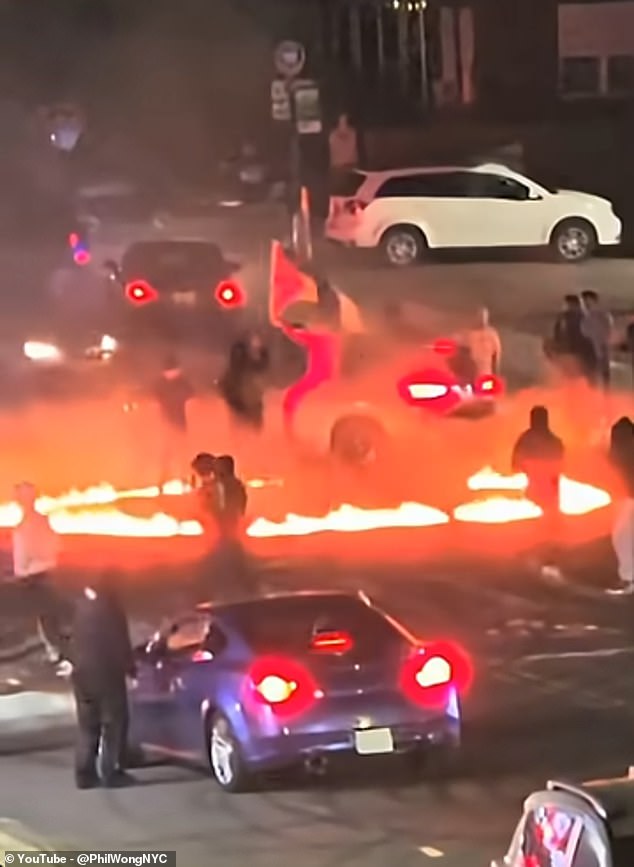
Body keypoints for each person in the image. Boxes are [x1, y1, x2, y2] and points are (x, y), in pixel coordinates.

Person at [67, 574, 136, 789]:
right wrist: (130, 669)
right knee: (115, 722)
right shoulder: (111, 607)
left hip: (82, 673)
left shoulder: (78, 606)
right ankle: (111, 770)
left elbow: (66, 636)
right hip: (107, 672)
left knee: (88, 724)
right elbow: (119, 639)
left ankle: (84, 773)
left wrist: (69, 659)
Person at [12, 482, 66, 665]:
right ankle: (56, 648)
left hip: (36, 574)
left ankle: (56, 652)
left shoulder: (28, 524)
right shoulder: (40, 521)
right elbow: (56, 544)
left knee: (45, 615)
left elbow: (24, 552)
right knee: (47, 614)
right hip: (45, 571)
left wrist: (23, 569)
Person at [511, 406, 565, 577]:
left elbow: (517, 457)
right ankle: (547, 546)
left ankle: (543, 547)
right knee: (547, 514)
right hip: (549, 482)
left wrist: (519, 468)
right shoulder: (552, 438)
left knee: (541, 514)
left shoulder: (528, 438)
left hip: (541, 481)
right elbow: (561, 457)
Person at [153, 356, 194, 485]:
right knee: (167, 455)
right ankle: (163, 481)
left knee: (183, 454)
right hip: (167, 425)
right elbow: (155, 395)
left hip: (180, 424)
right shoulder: (161, 385)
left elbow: (191, 393)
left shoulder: (182, 383)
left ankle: (186, 479)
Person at [218, 333, 270, 430]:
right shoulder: (248, 366)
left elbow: (223, 387)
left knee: (241, 426)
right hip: (247, 402)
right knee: (250, 426)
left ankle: (243, 442)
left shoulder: (232, 370)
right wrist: (262, 349)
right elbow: (262, 365)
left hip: (242, 402)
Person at [607, 417, 634, 595]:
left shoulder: (623, 451)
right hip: (628, 497)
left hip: (630, 498)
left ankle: (628, 579)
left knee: (621, 537)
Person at [551, 294, 598, 383]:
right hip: (578, 351)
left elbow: (558, 334)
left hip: (576, 351)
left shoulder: (565, 318)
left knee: (575, 376)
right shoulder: (584, 316)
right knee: (585, 376)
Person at [581, 290, 613, 388]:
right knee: (597, 375)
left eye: (586, 300)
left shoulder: (599, 314)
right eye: (583, 301)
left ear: (592, 300)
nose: (585, 303)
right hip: (593, 348)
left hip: (598, 348)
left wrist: (602, 345)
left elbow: (606, 330)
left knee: (599, 374)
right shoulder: (587, 315)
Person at [462, 306, 502, 377]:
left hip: (486, 371)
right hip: (472, 371)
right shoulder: (470, 334)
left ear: (487, 318)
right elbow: (463, 350)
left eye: (484, 316)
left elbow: (496, 352)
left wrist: (495, 369)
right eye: (480, 316)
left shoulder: (491, 334)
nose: (482, 319)